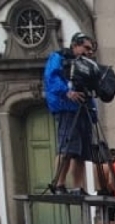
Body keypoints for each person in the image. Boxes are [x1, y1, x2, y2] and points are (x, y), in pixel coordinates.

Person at [44, 32, 98, 194]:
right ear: (75, 45)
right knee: (67, 149)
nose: (89, 52)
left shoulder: (87, 65)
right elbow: (51, 78)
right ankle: (59, 184)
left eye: (91, 50)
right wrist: (67, 92)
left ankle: (78, 186)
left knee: (81, 153)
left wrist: (93, 110)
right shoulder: (59, 57)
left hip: (83, 109)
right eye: (86, 48)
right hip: (66, 108)